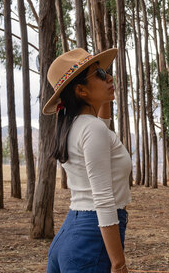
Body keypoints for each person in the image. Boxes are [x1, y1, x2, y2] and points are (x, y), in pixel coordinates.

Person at [43, 48, 131, 273]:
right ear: (81, 90)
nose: (109, 77)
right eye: (101, 74)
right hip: (91, 243)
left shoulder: (75, 126)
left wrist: (105, 95)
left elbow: (104, 129)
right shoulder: (92, 129)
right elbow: (102, 198)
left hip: (70, 236)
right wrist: (118, 263)